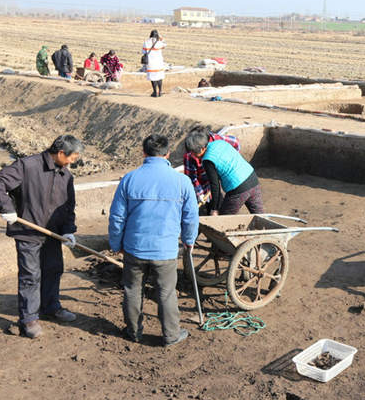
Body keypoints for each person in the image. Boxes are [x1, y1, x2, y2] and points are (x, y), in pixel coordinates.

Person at [0, 135, 83, 339]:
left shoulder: (66, 176)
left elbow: (68, 207)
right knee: (30, 276)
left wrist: (68, 230)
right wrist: (6, 208)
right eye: (72, 158)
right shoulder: (27, 166)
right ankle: (28, 319)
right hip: (28, 232)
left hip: (53, 234)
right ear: (60, 153)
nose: (73, 162)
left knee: (53, 269)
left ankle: (51, 307)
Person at [108, 134, 198, 346]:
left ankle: (133, 332)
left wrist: (115, 244)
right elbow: (191, 217)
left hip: (134, 249)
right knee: (166, 294)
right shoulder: (182, 181)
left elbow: (117, 217)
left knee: (132, 290)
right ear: (167, 154)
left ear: (144, 153)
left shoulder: (130, 179)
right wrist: (189, 240)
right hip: (165, 251)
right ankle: (171, 335)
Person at [184, 130, 263, 216]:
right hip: (252, 178)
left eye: (194, 152)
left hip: (237, 189)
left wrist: (214, 208)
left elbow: (215, 186)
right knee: (260, 216)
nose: (192, 155)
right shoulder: (220, 143)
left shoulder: (207, 160)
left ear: (202, 148)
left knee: (224, 219)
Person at [182, 128, 240, 210]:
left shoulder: (217, 141)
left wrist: (232, 159)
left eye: (196, 153)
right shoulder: (189, 156)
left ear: (203, 148)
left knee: (220, 203)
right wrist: (200, 193)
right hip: (204, 182)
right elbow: (192, 178)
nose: (193, 155)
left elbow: (235, 142)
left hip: (219, 178)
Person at [142, 30, 166, 97]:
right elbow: (165, 45)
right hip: (159, 62)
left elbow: (143, 52)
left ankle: (155, 92)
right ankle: (160, 91)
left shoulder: (146, 42)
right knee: (159, 77)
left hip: (150, 63)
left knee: (153, 78)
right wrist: (162, 38)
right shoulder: (159, 42)